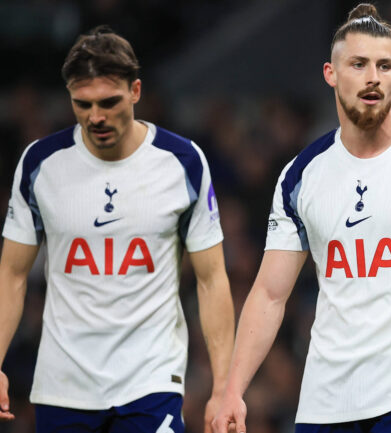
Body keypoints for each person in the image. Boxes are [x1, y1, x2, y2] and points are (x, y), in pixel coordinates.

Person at [212, 4, 391, 433]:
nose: (372, 76)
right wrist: (232, 390)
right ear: (331, 73)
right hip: (325, 402)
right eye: (358, 64)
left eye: (384, 65)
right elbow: (268, 294)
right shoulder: (301, 174)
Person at [0, 26, 235, 432]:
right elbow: (12, 273)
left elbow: (212, 280)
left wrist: (224, 388)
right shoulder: (41, 164)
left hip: (151, 382)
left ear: (136, 91)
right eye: (82, 104)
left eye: (109, 102)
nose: (96, 117)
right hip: (63, 387)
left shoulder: (183, 161)